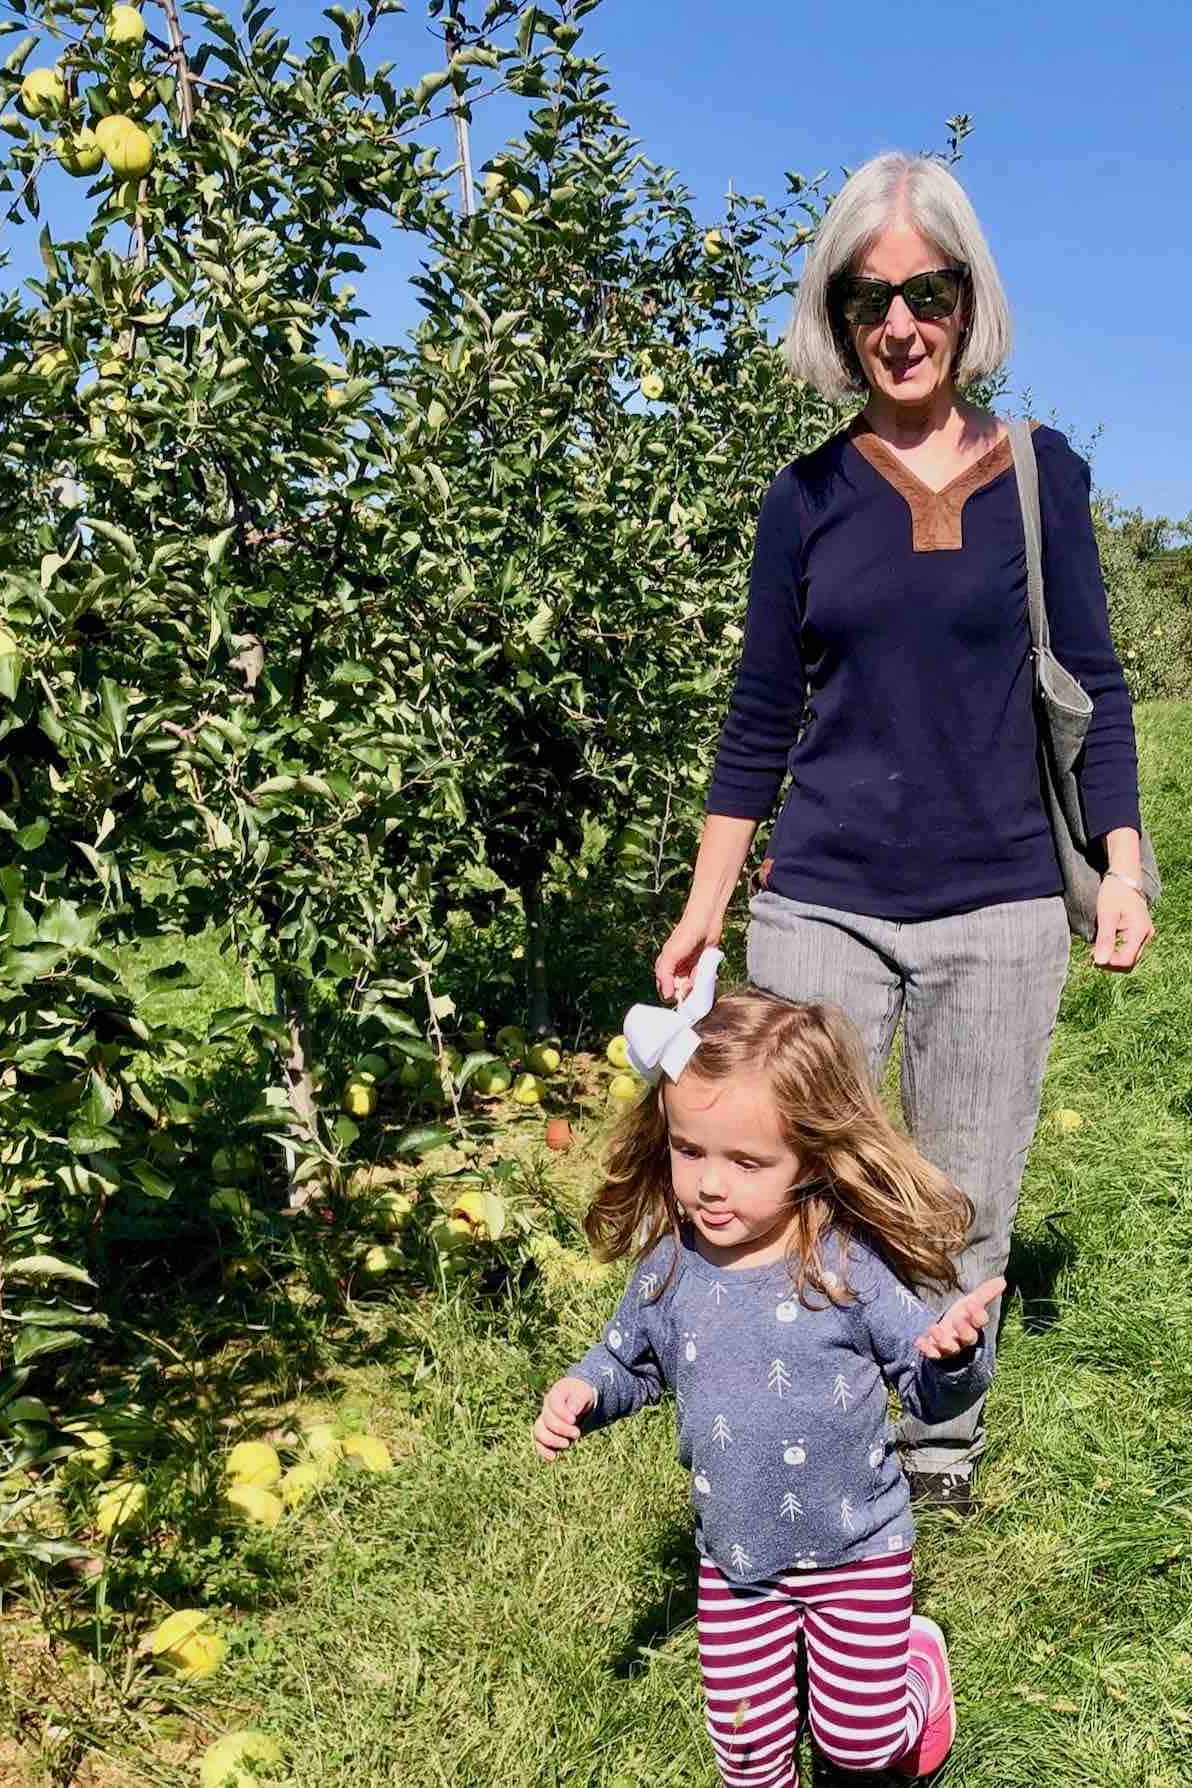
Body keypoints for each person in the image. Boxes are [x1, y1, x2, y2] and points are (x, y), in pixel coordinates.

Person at [654, 150, 1153, 1510]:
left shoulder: (1043, 479)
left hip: (996, 900)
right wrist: (707, 908)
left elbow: (1093, 687)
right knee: (800, 1178)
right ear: (836, 316)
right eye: (869, 299)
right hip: (824, 899)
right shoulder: (803, 501)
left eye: (927, 292)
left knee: (959, 1195)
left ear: (967, 298)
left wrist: (1120, 863)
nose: (901, 325)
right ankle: (802, 1426)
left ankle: (934, 1452)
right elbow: (760, 715)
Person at [533, 955, 1003, 1785]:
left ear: (813, 1158)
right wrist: (585, 1391)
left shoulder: (844, 1267)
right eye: (690, 1151)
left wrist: (954, 1355)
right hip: (736, 1558)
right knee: (747, 1757)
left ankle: (918, 1678)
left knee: (859, 1746)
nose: (710, 1186)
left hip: (856, 1545)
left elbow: (922, 1382)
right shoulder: (670, 1267)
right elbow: (629, 1358)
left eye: (747, 1163)